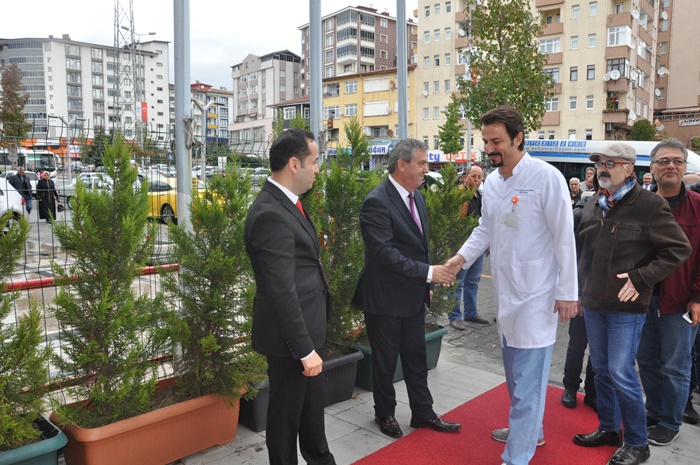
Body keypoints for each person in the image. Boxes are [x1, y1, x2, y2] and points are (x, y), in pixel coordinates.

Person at [446, 106, 578, 465]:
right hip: (505, 295)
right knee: (516, 379)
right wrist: (459, 259)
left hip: (536, 295)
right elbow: (485, 230)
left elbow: (564, 237)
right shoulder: (492, 183)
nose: (489, 148)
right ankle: (531, 431)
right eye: (486, 141)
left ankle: (517, 455)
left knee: (529, 382)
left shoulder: (546, 178)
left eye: (497, 141)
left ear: (518, 138)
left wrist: (568, 292)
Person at [574, 142, 691, 465]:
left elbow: (679, 249)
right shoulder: (594, 203)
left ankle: (638, 443)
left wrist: (641, 278)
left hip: (627, 307)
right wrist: (581, 291)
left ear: (629, 168)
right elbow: (585, 253)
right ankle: (609, 428)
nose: (603, 168)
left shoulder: (650, 204)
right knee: (601, 371)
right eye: (599, 163)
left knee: (621, 372)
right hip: (595, 303)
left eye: (610, 163)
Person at [353, 138, 461, 439]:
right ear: (402, 165)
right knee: (385, 362)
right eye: (422, 163)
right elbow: (383, 254)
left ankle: (422, 413)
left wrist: (425, 283)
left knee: (416, 358)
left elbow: (419, 248)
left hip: (412, 295)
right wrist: (429, 273)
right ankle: (384, 413)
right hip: (384, 298)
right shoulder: (376, 201)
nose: (427, 169)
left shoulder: (417, 197)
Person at [243, 129, 336, 465]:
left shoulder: (288, 202)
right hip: (291, 341)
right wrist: (304, 350)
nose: (318, 169)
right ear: (294, 164)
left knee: (312, 412)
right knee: (285, 419)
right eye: (315, 162)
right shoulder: (271, 213)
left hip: (305, 332)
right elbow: (280, 290)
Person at [635, 138, 700, 447]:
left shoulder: (698, 207)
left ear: (685, 167)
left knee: (675, 365)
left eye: (677, 161)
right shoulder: (639, 204)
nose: (670, 166)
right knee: (646, 360)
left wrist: (698, 296)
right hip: (641, 298)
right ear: (652, 167)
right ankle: (654, 411)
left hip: (680, 301)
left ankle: (670, 422)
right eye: (663, 161)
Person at [561, 177, 598, 412]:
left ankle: (593, 392)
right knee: (577, 344)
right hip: (583, 293)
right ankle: (570, 388)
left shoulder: (622, 213)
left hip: (606, 296)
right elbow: (575, 258)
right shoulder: (581, 215)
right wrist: (579, 294)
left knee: (598, 349)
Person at [449, 165, 488, 330]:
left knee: (473, 281)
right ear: (465, 177)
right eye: (474, 176)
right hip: (462, 246)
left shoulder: (479, 196)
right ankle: (454, 316)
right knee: (457, 283)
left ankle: (471, 313)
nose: (477, 180)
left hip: (477, 246)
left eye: (480, 177)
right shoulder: (458, 196)